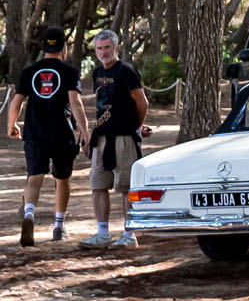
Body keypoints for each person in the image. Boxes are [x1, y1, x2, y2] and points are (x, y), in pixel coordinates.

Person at [8, 26, 90, 246]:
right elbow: (76, 103)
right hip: (61, 133)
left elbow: (16, 102)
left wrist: (12, 124)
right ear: (63, 47)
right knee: (62, 180)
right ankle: (58, 226)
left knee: (34, 178)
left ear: (43, 47)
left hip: (35, 132)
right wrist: (84, 130)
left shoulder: (29, 71)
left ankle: (29, 215)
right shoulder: (69, 71)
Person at [80, 29, 150, 249]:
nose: (103, 53)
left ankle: (129, 235)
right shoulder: (97, 73)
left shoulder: (127, 71)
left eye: (107, 47)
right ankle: (102, 233)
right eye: (99, 49)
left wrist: (136, 126)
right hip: (102, 138)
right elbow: (101, 105)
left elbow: (142, 102)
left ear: (116, 47)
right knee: (98, 185)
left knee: (126, 187)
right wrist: (90, 136)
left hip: (124, 138)